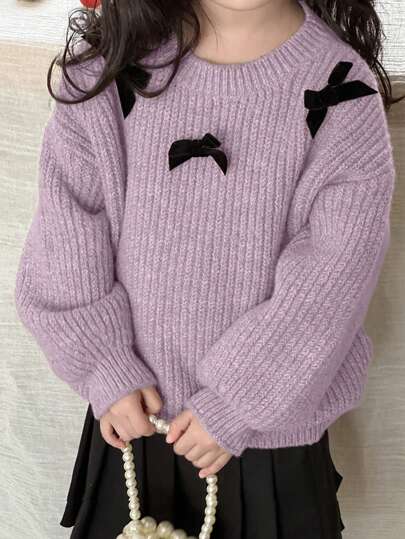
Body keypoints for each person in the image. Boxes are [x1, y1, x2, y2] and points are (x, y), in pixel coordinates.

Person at [14, 0, 402, 537]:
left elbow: (336, 276)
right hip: (133, 420)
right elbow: (68, 232)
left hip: (269, 439)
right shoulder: (110, 67)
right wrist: (104, 366)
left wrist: (239, 401)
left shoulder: (341, 91)